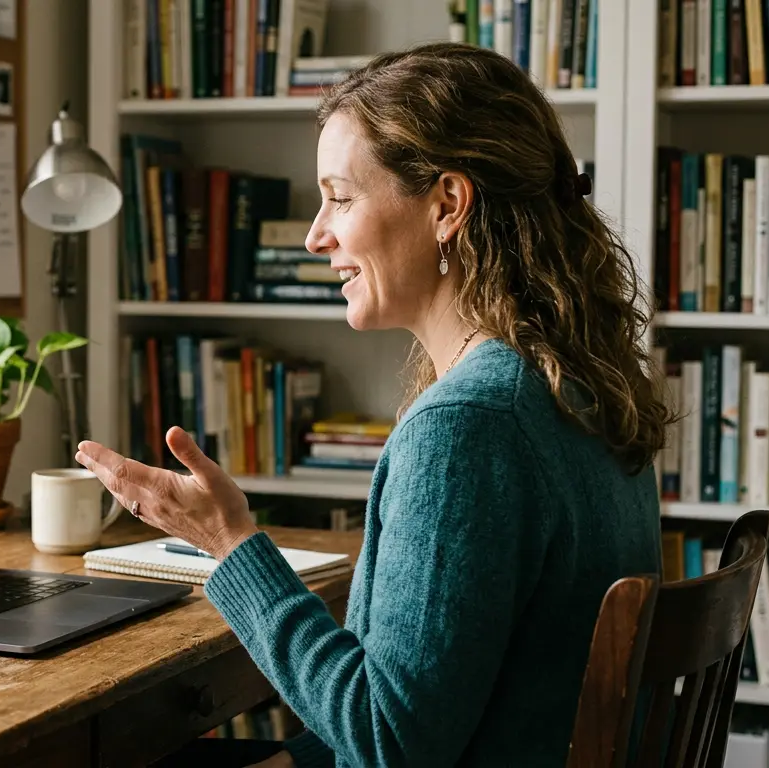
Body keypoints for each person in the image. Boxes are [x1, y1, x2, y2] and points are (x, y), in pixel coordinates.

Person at [74, 43, 670, 768]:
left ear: (447, 203)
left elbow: (389, 741)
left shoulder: (470, 425)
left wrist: (229, 543)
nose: (315, 234)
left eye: (341, 197)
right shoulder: (576, 384)